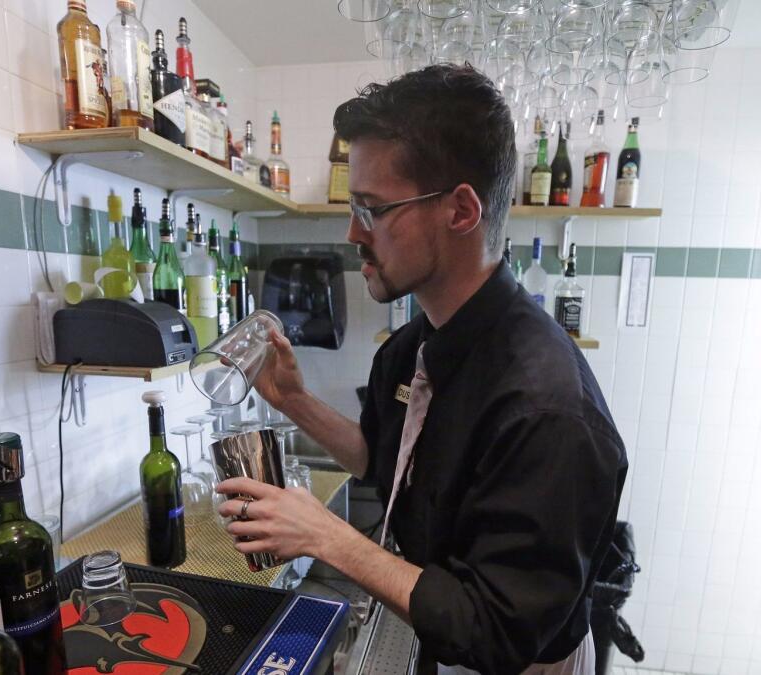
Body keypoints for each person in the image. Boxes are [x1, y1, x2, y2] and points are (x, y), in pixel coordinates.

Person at [216, 64, 627, 675]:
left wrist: (326, 536)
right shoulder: (411, 346)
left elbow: (493, 633)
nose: (353, 231)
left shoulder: (549, 412)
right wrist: (294, 400)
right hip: (430, 634)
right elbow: (387, 461)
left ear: (461, 210)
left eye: (373, 208)